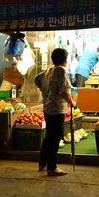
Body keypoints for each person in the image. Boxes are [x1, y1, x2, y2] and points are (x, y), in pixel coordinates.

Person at [38, 48, 75, 177]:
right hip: (57, 108)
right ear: (65, 59)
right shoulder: (61, 70)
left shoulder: (49, 70)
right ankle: (52, 167)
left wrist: (46, 91)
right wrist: (71, 102)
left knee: (49, 136)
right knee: (55, 137)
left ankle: (42, 162)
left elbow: (37, 80)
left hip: (48, 108)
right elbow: (63, 91)